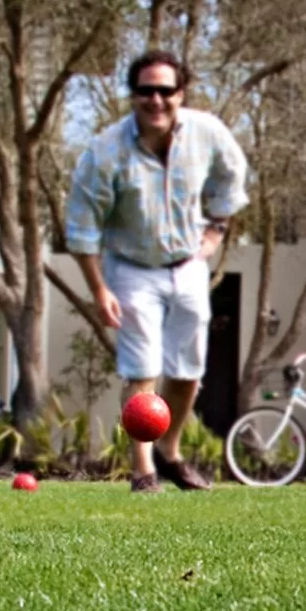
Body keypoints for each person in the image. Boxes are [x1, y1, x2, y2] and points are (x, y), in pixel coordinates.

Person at [64, 49, 249, 493]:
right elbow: (82, 224)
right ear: (133, 95)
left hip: (188, 265)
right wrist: (99, 288)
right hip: (130, 268)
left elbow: (234, 175)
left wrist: (217, 228)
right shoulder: (105, 151)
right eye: (146, 90)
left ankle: (169, 453)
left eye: (166, 90)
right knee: (142, 365)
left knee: (188, 371)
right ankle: (143, 469)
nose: (156, 100)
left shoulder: (206, 133)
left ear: (180, 93)